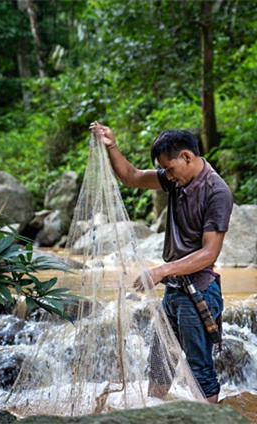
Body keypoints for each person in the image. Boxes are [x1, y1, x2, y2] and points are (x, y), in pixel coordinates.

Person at [89, 121, 233, 403]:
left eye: (169, 168)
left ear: (187, 157)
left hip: (198, 294)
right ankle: (158, 414)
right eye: (164, 170)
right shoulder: (176, 178)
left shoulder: (217, 192)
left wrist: (160, 270)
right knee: (158, 370)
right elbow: (131, 177)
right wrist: (112, 146)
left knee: (200, 372)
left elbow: (209, 253)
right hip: (174, 293)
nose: (167, 176)